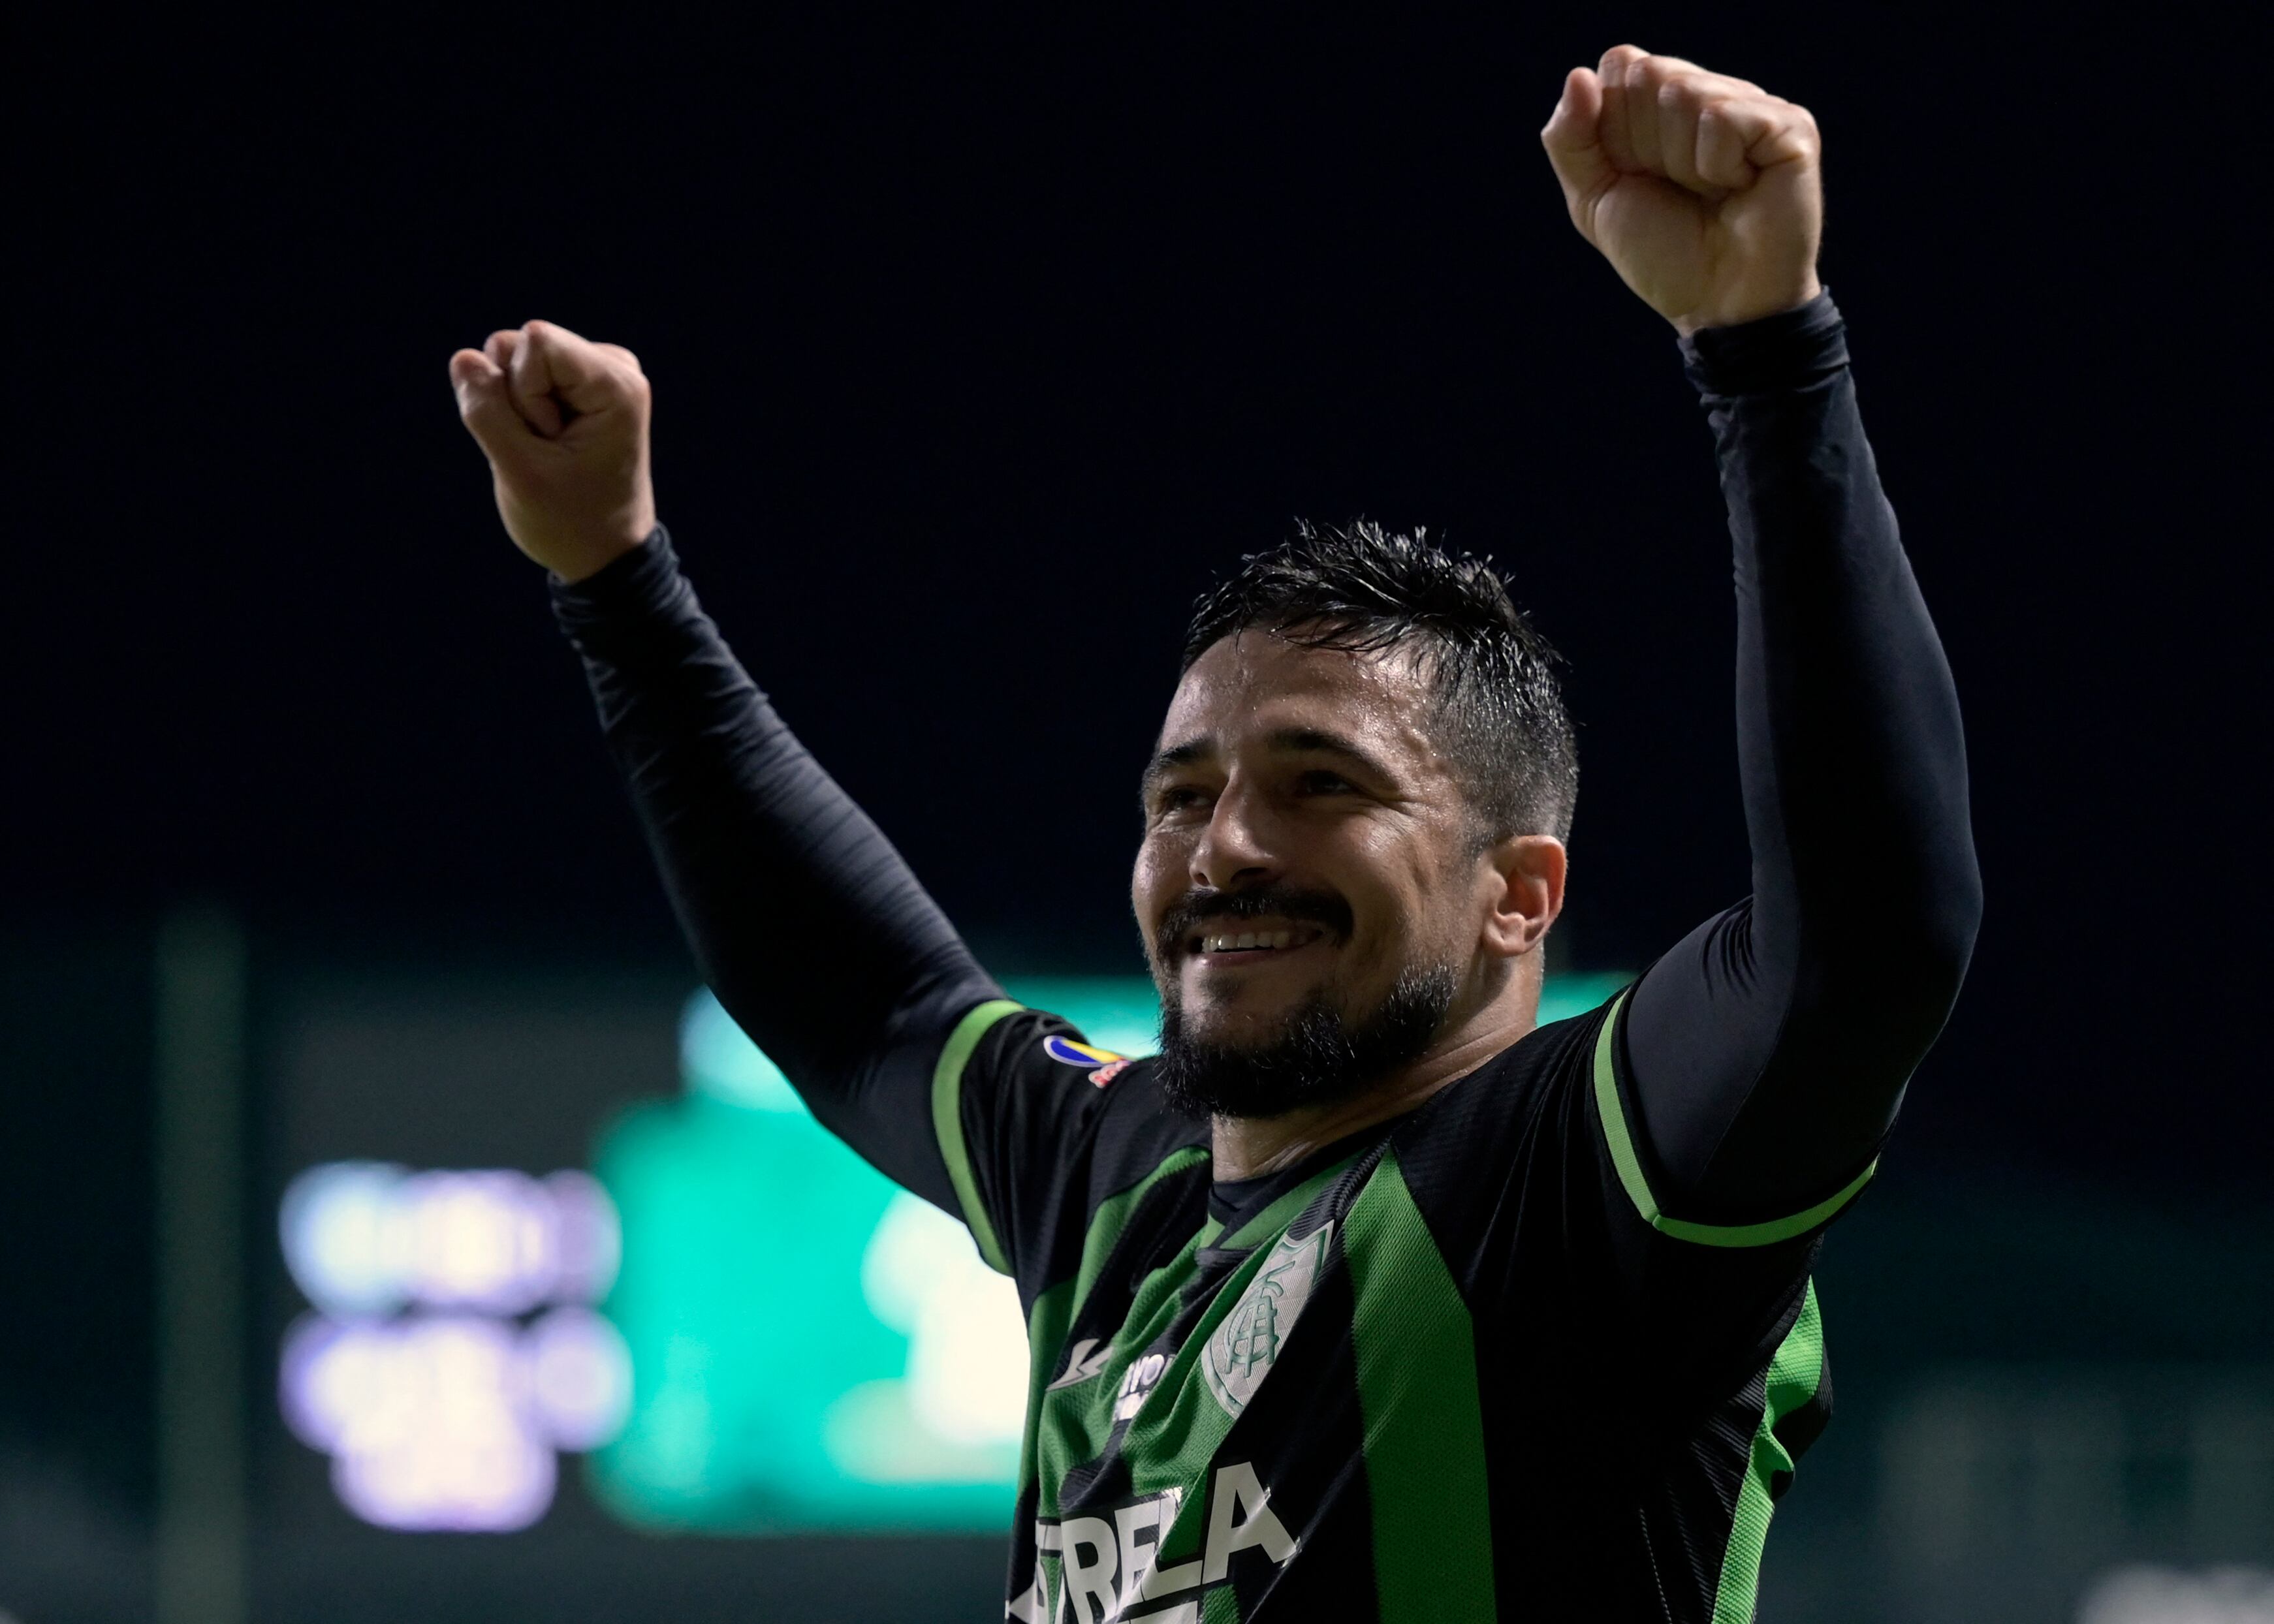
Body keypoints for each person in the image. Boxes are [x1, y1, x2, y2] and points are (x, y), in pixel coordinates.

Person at [447, 44, 1979, 1623]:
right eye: (1180, 793)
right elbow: (872, 1006)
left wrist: (1768, 357)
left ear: (1519, 893)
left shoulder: (1567, 1185)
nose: (1224, 846)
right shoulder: (1120, 1172)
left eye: (1323, 782)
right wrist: (616, 578)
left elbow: (1863, 947)